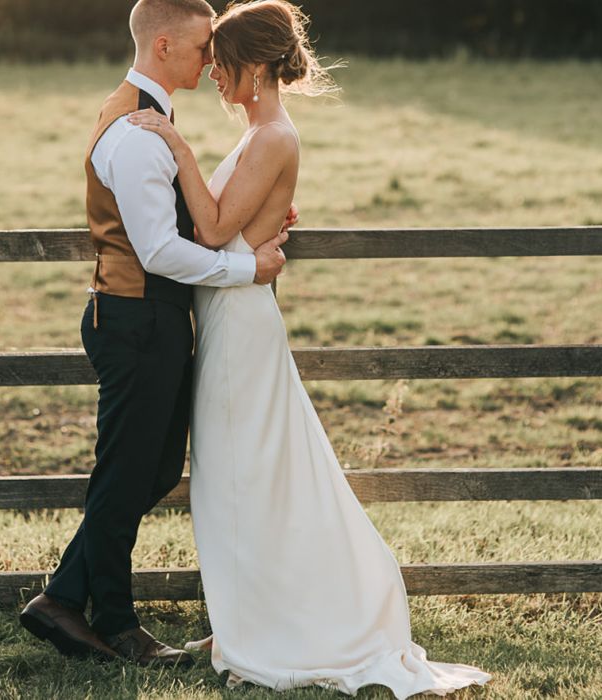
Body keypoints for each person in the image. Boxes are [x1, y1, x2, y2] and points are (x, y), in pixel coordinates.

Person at [126, 0, 494, 696]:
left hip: (239, 329)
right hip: (233, 317)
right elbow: (229, 222)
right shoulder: (263, 134)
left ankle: (264, 628)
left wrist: (176, 148)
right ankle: (248, 618)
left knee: (241, 481)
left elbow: (208, 232)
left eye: (222, 62)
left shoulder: (273, 139)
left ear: (256, 67)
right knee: (239, 481)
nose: (211, 74)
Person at [19, 0, 292, 666]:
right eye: (203, 47)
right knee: (126, 473)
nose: (212, 60)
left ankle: (65, 597)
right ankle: (112, 621)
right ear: (165, 45)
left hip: (153, 320)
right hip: (135, 319)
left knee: (152, 468)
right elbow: (161, 252)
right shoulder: (139, 132)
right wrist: (246, 267)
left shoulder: (152, 119)